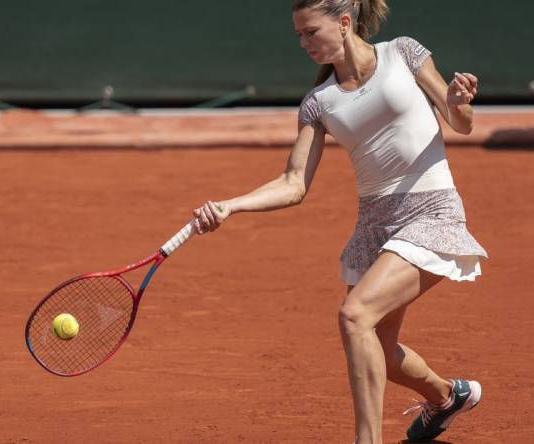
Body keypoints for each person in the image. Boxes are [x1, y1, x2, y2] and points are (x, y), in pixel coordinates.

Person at [192, 0, 487, 443]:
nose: (304, 43)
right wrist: (232, 205)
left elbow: (459, 123)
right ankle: (447, 396)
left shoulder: (403, 53)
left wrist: (457, 102)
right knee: (380, 354)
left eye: (310, 32)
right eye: (299, 36)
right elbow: (294, 183)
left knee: (355, 317)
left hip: (430, 210)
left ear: (344, 23)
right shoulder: (317, 102)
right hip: (375, 226)